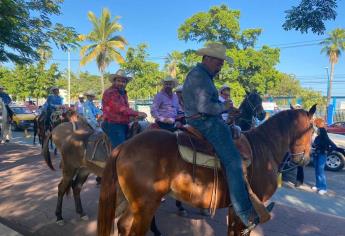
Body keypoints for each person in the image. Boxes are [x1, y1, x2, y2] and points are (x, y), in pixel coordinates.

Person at [182, 42, 274, 231]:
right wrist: (223, 108)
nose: (220, 65)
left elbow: (209, 104)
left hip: (207, 119)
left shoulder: (204, 75)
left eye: (222, 62)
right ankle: (245, 213)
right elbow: (204, 107)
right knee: (233, 161)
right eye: (218, 61)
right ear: (207, 58)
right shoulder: (199, 76)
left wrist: (228, 111)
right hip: (204, 122)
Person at [151, 77, 189, 216]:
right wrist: (162, 119)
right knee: (162, 150)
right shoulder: (159, 96)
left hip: (173, 123)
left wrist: (185, 117)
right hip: (162, 123)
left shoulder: (174, 97)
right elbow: (153, 111)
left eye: (170, 84)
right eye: (166, 83)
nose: (168, 85)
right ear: (164, 85)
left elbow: (178, 110)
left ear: (173, 85)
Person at [102, 69, 147, 148]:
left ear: (126, 83)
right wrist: (137, 113)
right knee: (121, 149)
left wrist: (133, 117)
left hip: (123, 124)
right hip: (113, 124)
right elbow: (119, 108)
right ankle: (115, 160)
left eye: (123, 81)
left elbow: (126, 110)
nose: (121, 83)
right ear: (114, 81)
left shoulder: (123, 93)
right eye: (118, 81)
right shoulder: (110, 92)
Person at [312, 118, 337, 195]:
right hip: (315, 154)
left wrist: (327, 152)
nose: (317, 131)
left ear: (322, 131)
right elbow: (314, 145)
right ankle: (317, 185)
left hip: (322, 155)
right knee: (317, 171)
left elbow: (334, 146)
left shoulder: (326, 139)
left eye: (318, 130)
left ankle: (323, 188)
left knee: (321, 171)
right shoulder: (317, 138)